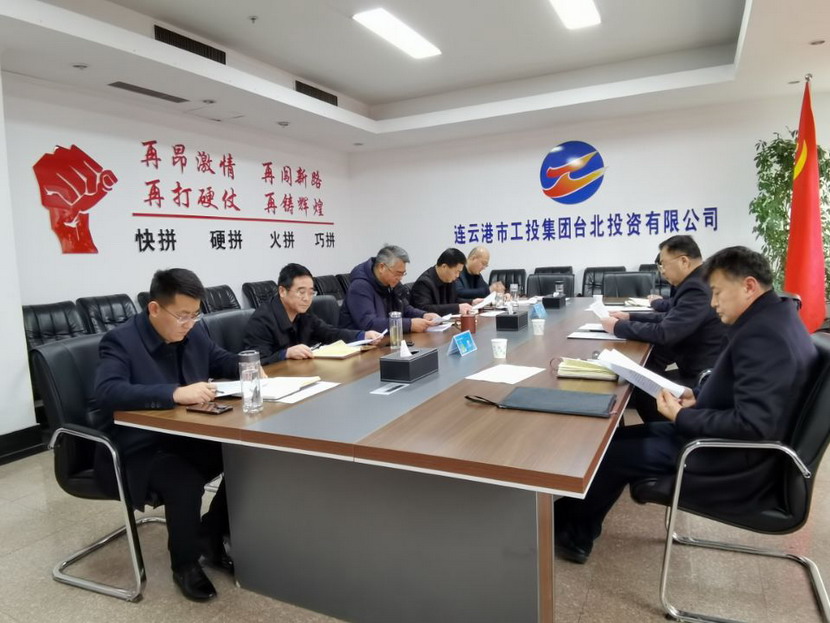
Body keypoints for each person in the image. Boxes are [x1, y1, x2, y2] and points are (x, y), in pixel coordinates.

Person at [555, 246, 818, 564]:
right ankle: (566, 517)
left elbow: (752, 425)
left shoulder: (764, 337)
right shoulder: (775, 317)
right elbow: (748, 394)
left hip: (729, 458)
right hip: (726, 440)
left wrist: (681, 416)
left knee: (613, 454)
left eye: (717, 292)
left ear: (749, 286)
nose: (713, 302)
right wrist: (698, 397)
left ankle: (575, 535)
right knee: (614, 440)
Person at [94, 268, 238, 602]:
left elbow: (220, 359)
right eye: (182, 315)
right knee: (183, 480)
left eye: (195, 315)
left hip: (184, 435)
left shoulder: (193, 333)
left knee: (242, 455)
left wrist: (249, 366)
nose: (190, 323)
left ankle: (210, 534)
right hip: (136, 447)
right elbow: (107, 391)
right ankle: (185, 565)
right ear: (155, 308)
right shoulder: (121, 341)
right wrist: (173, 393)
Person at [600, 235, 727, 421]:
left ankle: (670, 431)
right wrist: (630, 317)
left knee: (645, 391)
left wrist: (618, 327)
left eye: (663, 264)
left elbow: (665, 332)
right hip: (701, 366)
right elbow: (671, 317)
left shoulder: (696, 287)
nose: (662, 271)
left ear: (684, 261)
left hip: (703, 377)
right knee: (645, 380)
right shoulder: (699, 280)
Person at [243, 263, 383, 363]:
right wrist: (285, 354)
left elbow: (329, 333)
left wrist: (362, 335)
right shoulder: (262, 320)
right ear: (282, 291)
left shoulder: (303, 312)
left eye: (311, 293)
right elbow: (255, 362)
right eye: (301, 292)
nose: (307, 298)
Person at [339, 244, 441, 333]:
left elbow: (404, 309)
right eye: (398, 273)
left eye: (403, 273)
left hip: (385, 340)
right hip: (358, 346)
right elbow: (369, 324)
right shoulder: (360, 287)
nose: (400, 278)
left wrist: (423, 315)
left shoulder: (392, 283)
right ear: (381, 267)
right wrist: (409, 324)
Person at [410, 248, 476, 316]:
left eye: (460, 272)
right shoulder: (424, 283)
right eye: (456, 271)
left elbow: (453, 300)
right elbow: (425, 309)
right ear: (444, 266)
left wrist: (471, 302)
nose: (457, 275)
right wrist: (457, 308)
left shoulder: (449, 279)